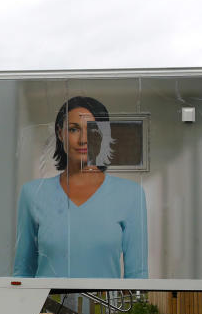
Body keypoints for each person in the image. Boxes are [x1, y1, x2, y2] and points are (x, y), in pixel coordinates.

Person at [13, 96, 148, 278]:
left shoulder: (131, 195)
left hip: (106, 307)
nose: (83, 139)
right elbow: (22, 272)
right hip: (46, 306)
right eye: (74, 129)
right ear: (60, 133)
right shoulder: (33, 194)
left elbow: (137, 277)